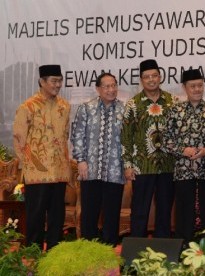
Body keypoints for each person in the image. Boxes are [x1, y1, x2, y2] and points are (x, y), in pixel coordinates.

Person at [163, 69, 205, 243]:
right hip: (184, 169)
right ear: (184, 87)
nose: (197, 89)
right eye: (193, 86)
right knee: (184, 212)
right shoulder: (176, 111)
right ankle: (184, 249)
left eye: (200, 85)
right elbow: (166, 141)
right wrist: (183, 150)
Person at [12, 64, 70, 250]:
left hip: (59, 171)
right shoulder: (27, 107)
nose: (58, 85)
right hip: (37, 173)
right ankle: (33, 254)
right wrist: (29, 165)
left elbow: (65, 136)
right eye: (54, 81)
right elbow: (20, 140)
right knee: (35, 216)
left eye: (60, 80)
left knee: (57, 216)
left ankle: (54, 254)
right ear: (42, 82)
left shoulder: (64, 106)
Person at [121, 59, 177, 238]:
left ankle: (163, 251)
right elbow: (126, 136)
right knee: (139, 210)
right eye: (147, 77)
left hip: (168, 165)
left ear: (160, 77)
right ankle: (137, 251)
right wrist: (128, 164)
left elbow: (178, 133)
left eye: (154, 75)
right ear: (141, 80)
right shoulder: (133, 104)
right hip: (142, 166)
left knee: (164, 210)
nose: (151, 79)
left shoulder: (172, 101)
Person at [70, 72, 125, 246]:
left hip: (115, 172)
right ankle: (89, 250)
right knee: (89, 214)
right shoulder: (86, 108)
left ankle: (110, 251)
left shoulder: (125, 110)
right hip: (90, 171)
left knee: (112, 214)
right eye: (107, 86)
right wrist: (81, 160)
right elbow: (77, 135)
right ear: (98, 88)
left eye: (114, 85)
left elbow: (130, 140)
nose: (111, 90)